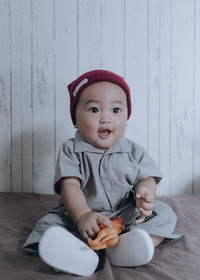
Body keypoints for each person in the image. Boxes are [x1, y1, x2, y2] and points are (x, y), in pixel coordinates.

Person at [23, 70, 180, 276]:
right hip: (83, 217)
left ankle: (131, 247)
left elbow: (148, 178)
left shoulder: (133, 150)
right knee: (49, 226)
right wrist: (82, 216)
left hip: (126, 216)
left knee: (166, 214)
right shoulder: (71, 150)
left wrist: (145, 192)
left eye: (116, 110)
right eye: (95, 110)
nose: (106, 118)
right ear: (76, 120)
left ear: (126, 117)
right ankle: (75, 254)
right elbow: (69, 185)